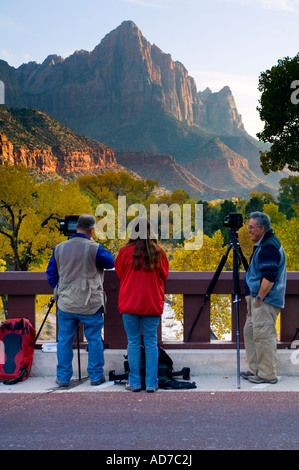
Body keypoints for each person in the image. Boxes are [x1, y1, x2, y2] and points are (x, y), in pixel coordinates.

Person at [46, 214, 114, 387]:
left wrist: (62, 288)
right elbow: (110, 262)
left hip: (66, 303)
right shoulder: (95, 248)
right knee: (94, 339)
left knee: (64, 340)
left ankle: (63, 377)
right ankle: (96, 376)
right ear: (91, 230)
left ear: (76, 228)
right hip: (90, 303)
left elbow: (51, 275)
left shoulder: (59, 248)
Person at [114, 217, 169, 393]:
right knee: (151, 342)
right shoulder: (158, 252)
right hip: (151, 302)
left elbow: (120, 273)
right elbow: (164, 275)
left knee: (133, 342)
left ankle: (135, 382)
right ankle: (152, 383)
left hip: (130, 302)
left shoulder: (124, 251)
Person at [241, 211, 287, 384]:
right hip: (258, 300)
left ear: (262, 229)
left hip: (264, 301)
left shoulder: (269, 247)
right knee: (251, 333)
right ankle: (256, 370)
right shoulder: (264, 244)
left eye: (251, 227)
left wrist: (259, 297)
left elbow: (270, 276)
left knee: (264, 335)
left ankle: (267, 375)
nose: (248, 230)